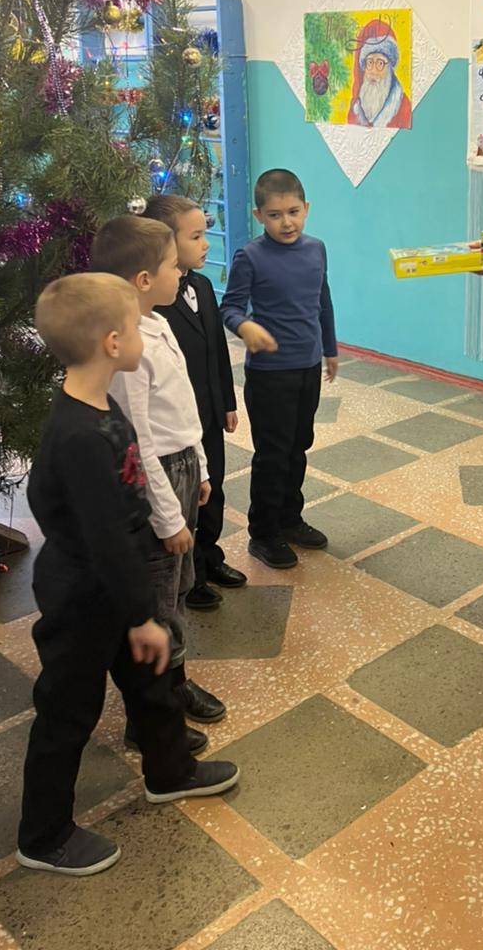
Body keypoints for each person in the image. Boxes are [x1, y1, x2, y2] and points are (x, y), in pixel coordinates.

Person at [16, 274, 238, 878]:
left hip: (116, 582)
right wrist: (141, 615)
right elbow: (101, 536)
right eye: (136, 327)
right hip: (84, 597)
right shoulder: (79, 434)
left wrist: (137, 607)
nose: (145, 334)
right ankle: (44, 835)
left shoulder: (98, 406)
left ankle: (170, 771)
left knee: (151, 683)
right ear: (113, 343)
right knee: (68, 710)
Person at [90, 217, 227, 733]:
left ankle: (175, 682)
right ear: (144, 279)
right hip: (158, 480)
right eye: (173, 265)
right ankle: (150, 714)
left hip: (183, 467)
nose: (181, 273)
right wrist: (168, 517)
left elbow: (182, 409)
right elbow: (139, 443)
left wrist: (202, 467)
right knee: (157, 597)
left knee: (179, 587)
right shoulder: (128, 347)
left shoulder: (157, 322)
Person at [220, 169, 338, 570]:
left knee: (298, 446)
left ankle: (290, 518)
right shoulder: (250, 256)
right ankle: (264, 533)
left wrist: (330, 349)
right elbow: (230, 308)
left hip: (307, 367)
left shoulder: (316, 249)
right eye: (274, 215)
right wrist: (245, 326)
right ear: (259, 216)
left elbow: (322, 300)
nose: (286, 222)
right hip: (270, 374)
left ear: (306, 208)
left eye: (293, 212)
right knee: (273, 454)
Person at [143, 195, 246, 611]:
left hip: (208, 413)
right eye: (196, 236)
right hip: (174, 424)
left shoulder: (201, 286)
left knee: (213, 487)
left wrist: (227, 402)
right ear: (166, 244)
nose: (206, 244)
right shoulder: (156, 299)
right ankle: (192, 576)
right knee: (187, 500)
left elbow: (217, 348)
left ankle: (210, 556)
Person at [346, 21, 411, 128]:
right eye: (370, 62)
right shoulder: (355, 108)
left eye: (380, 63)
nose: (374, 71)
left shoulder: (404, 107)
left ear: (390, 68)